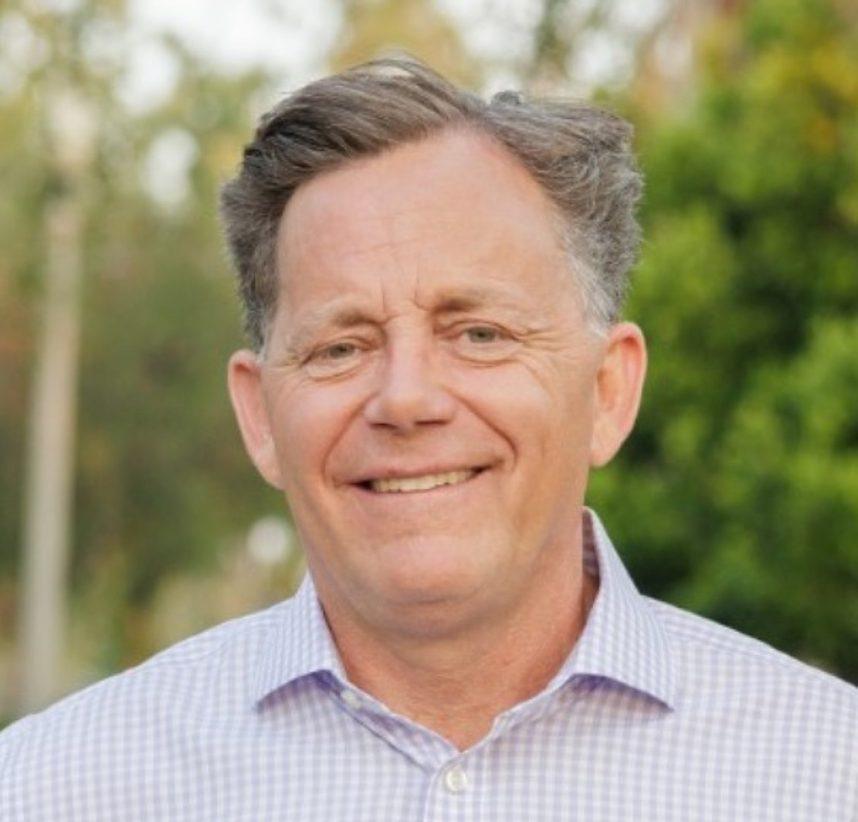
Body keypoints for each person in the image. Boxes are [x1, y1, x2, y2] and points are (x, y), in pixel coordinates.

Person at [1, 58, 855, 821]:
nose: (405, 399)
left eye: (479, 333)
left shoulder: (825, 777)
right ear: (260, 416)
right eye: (341, 347)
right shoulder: (53, 791)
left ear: (607, 390)